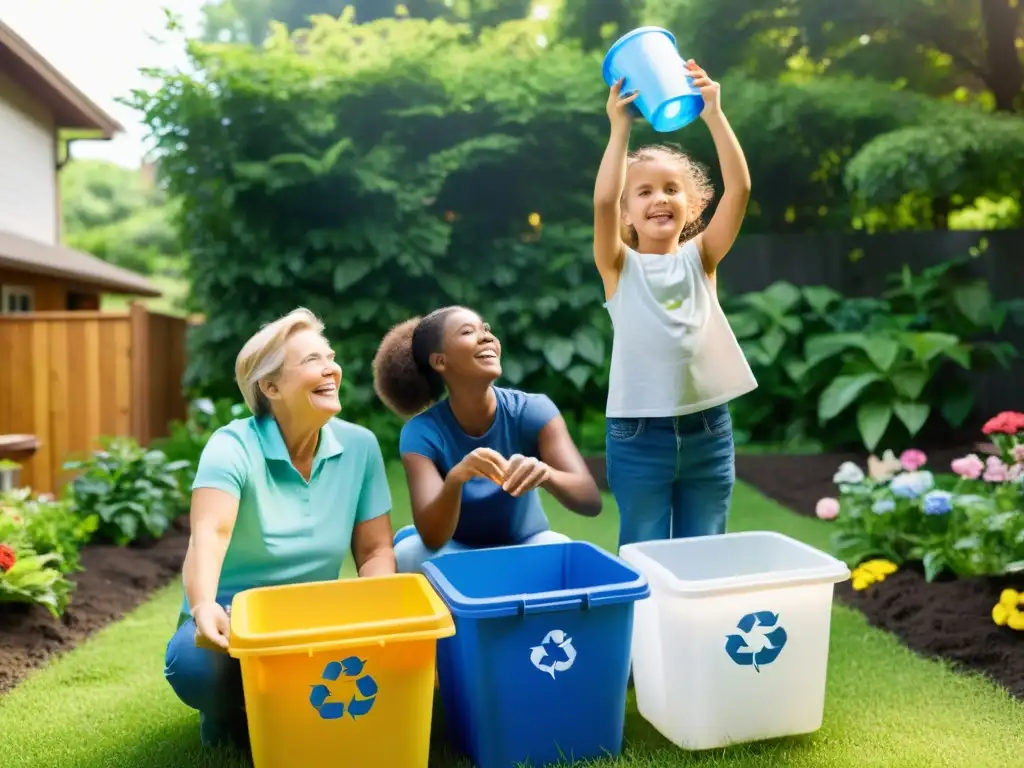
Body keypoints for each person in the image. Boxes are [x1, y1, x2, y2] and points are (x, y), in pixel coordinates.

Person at [163, 308, 396, 750]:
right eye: (312, 360)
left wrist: (377, 612)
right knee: (196, 667)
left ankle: (283, 708)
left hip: (317, 618)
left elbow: (374, 550)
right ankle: (230, 713)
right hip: (238, 618)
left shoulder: (359, 446)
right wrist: (203, 605)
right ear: (270, 387)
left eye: (330, 357)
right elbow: (210, 534)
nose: (331, 368)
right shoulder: (231, 446)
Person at [593, 60, 757, 549]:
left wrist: (714, 114)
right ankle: (647, 629)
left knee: (705, 554)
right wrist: (619, 127)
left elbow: (741, 189)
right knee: (645, 554)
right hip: (638, 436)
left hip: (708, 429)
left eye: (671, 189)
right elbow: (602, 202)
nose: (659, 198)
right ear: (627, 213)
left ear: (692, 205)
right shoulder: (618, 266)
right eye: (643, 192)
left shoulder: (701, 257)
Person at [372, 305, 602, 573]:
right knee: (408, 554)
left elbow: (590, 501)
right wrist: (457, 478)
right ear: (440, 361)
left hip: (524, 544)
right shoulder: (421, 432)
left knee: (559, 549)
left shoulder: (532, 411)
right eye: (468, 332)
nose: (487, 337)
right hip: (455, 549)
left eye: (487, 329)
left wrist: (546, 473)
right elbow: (433, 538)